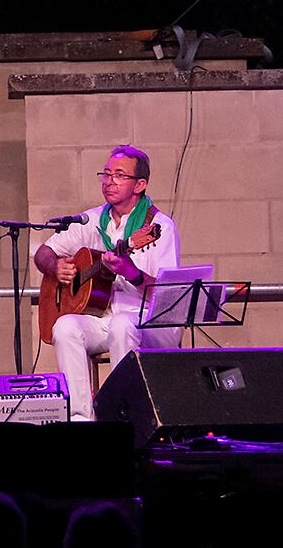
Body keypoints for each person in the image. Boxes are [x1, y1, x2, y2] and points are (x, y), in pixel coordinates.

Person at [32, 144, 181, 420]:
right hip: (103, 318)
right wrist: (56, 267)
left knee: (123, 325)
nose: (109, 180)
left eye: (119, 175)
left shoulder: (159, 227)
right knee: (64, 326)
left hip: (146, 320)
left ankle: (123, 416)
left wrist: (131, 272)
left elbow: (166, 296)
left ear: (140, 185)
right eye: (106, 173)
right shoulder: (91, 220)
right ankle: (80, 418)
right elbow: (43, 253)